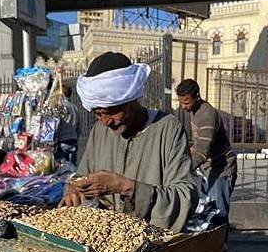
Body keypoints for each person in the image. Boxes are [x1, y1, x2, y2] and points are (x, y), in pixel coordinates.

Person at [60, 52, 196, 233]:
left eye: (112, 111)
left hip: (150, 241)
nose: (106, 121)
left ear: (132, 100)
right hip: (107, 238)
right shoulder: (100, 130)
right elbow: (83, 175)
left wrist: (126, 187)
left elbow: (185, 196)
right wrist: (73, 188)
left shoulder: (167, 128)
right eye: (98, 114)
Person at [176, 79, 237, 225]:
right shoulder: (195, 111)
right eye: (181, 102)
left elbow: (202, 153)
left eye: (186, 102)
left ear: (197, 96)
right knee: (207, 214)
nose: (183, 107)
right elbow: (197, 145)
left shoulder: (207, 115)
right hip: (208, 170)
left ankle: (220, 246)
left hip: (221, 170)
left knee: (218, 215)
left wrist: (181, 171)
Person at [54, 84, 81, 165]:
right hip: (73, 140)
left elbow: (57, 124)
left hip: (63, 140)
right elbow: (78, 126)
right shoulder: (74, 107)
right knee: (72, 167)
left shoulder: (60, 107)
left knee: (62, 168)